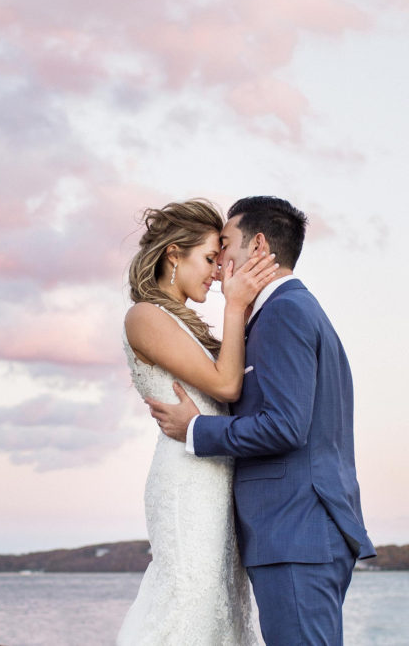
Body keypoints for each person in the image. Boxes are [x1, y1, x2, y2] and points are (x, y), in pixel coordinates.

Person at [147, 196, 376, 645]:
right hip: (301, 532)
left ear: (258, 246)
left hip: (295, 531)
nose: (219, 266)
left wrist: (195, 430)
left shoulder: (284, 312)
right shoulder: (287, 311)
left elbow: (286, 426)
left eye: (225, 245)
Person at [117, 198, 279, 645]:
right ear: (174, 253)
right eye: (210, 258)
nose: (217, 271)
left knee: (220, 606)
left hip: (215, 478)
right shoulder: (145, 316)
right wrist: (235, 306)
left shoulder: (183, 323)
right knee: (188, 598)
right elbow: (226, 387)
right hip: (186, 482)